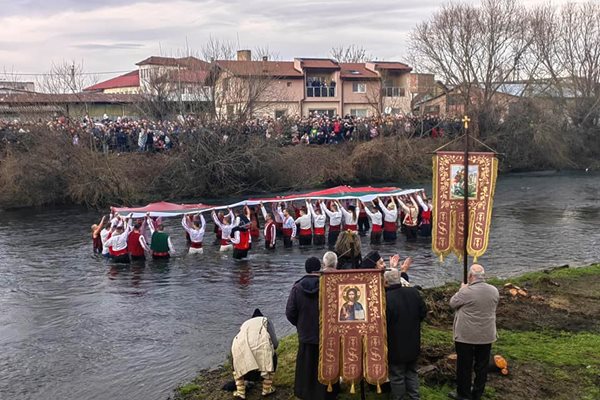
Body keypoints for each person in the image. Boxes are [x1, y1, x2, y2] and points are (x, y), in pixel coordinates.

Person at [286, 257, 337, 400]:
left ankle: (305, 392)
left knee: (306, 364)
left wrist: (299, 324)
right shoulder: (327, 285)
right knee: (326, 362)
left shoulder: (297, 287)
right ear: (320, 268)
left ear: (306, 269)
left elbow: (290, 312)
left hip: (306, 332)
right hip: (326, 332)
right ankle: (327, 392)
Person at [449, 264, 499, 400]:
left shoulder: (466, 292)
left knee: (464, 366)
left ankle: (463, 394)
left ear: (470, 276)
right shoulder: (494, 290)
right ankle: (477, 393)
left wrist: (461, 289)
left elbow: (452, 303)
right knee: (482, 366)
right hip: (486, 335)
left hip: (466, 336)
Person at [385, 268, 427, 400]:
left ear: (386, 282)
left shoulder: (386, 298)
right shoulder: (414, 292)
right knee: (412, 372)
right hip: (413, 340)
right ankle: (415, 397)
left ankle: (399, 398)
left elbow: (384, 322)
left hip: (396, 344)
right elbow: (423, 312)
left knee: (397, 375)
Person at [231, 308, 278, 399]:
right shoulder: (266, 321)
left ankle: (240, 391)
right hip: (261, 351)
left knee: (236, 359)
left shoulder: (245, 324)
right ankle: (266, 389)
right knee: (273, 356)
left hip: (238, 349)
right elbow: (275, 344)